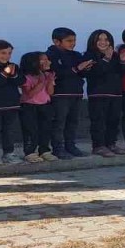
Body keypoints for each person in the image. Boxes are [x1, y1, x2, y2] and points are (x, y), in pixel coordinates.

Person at [48, 27, 93, 159]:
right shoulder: (50, 55)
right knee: (59, 122)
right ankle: (57, 148)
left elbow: (81, 73)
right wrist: (76, 69)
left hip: (76, 93)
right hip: (60, 94)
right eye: (69, 41)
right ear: (57, 41)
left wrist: (86, 68)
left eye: (74, 40)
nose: (73, 43)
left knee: (73, 122)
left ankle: (70, 145)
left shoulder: (76, 55)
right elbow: (56, 73)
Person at [83, 29, 125, 157]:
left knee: (113, 120)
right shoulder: (89, 55)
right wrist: (106, 58)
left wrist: (123, 61)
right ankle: (98, 146)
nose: (103, 42)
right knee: (99, 121)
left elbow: (123, 72)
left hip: (116, 93)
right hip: (98, 94)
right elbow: (96, 72)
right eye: (99, 39)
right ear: (93, 41)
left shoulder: (115, 55)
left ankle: (111, 143)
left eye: (106, 39)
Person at [18, 51, 58, 163]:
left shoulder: (47, 75)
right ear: (33, 63)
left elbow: (50, 92)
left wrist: (49, 81)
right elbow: (29, 94)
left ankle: (44, 150)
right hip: (29, 106)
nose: (48, 62)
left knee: (45, 129)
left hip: (45, 105)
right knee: (31, 130)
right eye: (44, 60)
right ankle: (30, 152)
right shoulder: (26, 77)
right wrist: (41, 82)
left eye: (47, 59)